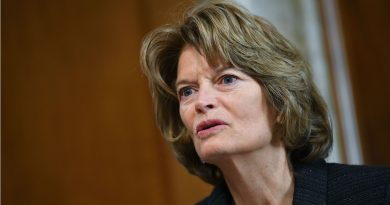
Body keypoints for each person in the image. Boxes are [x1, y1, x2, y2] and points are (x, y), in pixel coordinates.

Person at [139, 0, 390, 204]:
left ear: (280, 100)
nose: (201, 102)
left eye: (227, 79)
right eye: (187, 91)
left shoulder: (378, 193)